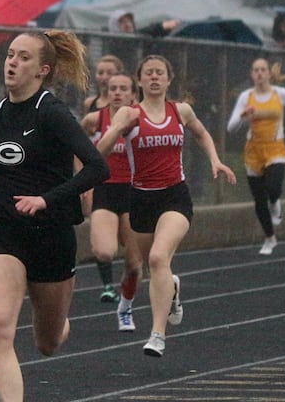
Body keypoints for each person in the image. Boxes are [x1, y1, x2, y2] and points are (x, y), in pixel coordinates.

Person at [0, 30, 109, 401]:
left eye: (24, 58)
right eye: (10, 54)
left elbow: (97, 167)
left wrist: (46, 200)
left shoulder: (53, 114)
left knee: (47, 342)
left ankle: (58, 323)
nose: (12, 63)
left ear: (43, 70)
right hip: (6, 231)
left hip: (52, 235)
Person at [95, 54, 237, 357]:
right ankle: (171, 287)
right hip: (141, 199)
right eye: (149, 73)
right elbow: (103, 147)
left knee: (159, 257)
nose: (155, 77)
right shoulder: (129, 114)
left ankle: (157, 335)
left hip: (175, 196)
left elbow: (201, 133)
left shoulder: (181, 110)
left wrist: (215, 160)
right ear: (140, 80)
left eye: (160, 72)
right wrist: (109, 141)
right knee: (155, 266)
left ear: (169, 79)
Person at [227, 58, 285, 255]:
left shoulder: (280, 94)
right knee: (259, 198)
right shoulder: (246, 97)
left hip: (275, 148)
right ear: (251, 74)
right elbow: (230, 128)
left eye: (263, 70)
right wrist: (243, 116)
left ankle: (275, 202)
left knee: (273, 188)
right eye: (256, 70)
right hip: (253, 150)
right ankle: (269, 238)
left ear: (269, 74)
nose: (259, 73)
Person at [81, 72, 144, 329]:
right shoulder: (95, 119)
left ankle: (125, 308)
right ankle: (115, 237)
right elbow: (79, 147)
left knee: (134, 266)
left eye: (123, 89)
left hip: (133, 193)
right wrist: (83, 179)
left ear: (133, 94)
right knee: (104, 252)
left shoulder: (142, 119)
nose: (117, 93)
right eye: (113, 88)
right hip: (105, 190)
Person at [80, 54, 125, 303]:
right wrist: (84, 177)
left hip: (129, 184)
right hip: (102, 181)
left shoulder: (132, 109)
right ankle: (108, 285)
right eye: (100, 72)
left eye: (110, 73)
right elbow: (81, 143)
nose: (104, 78)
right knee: (102, 242)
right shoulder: (91, 106)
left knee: (132, 246)